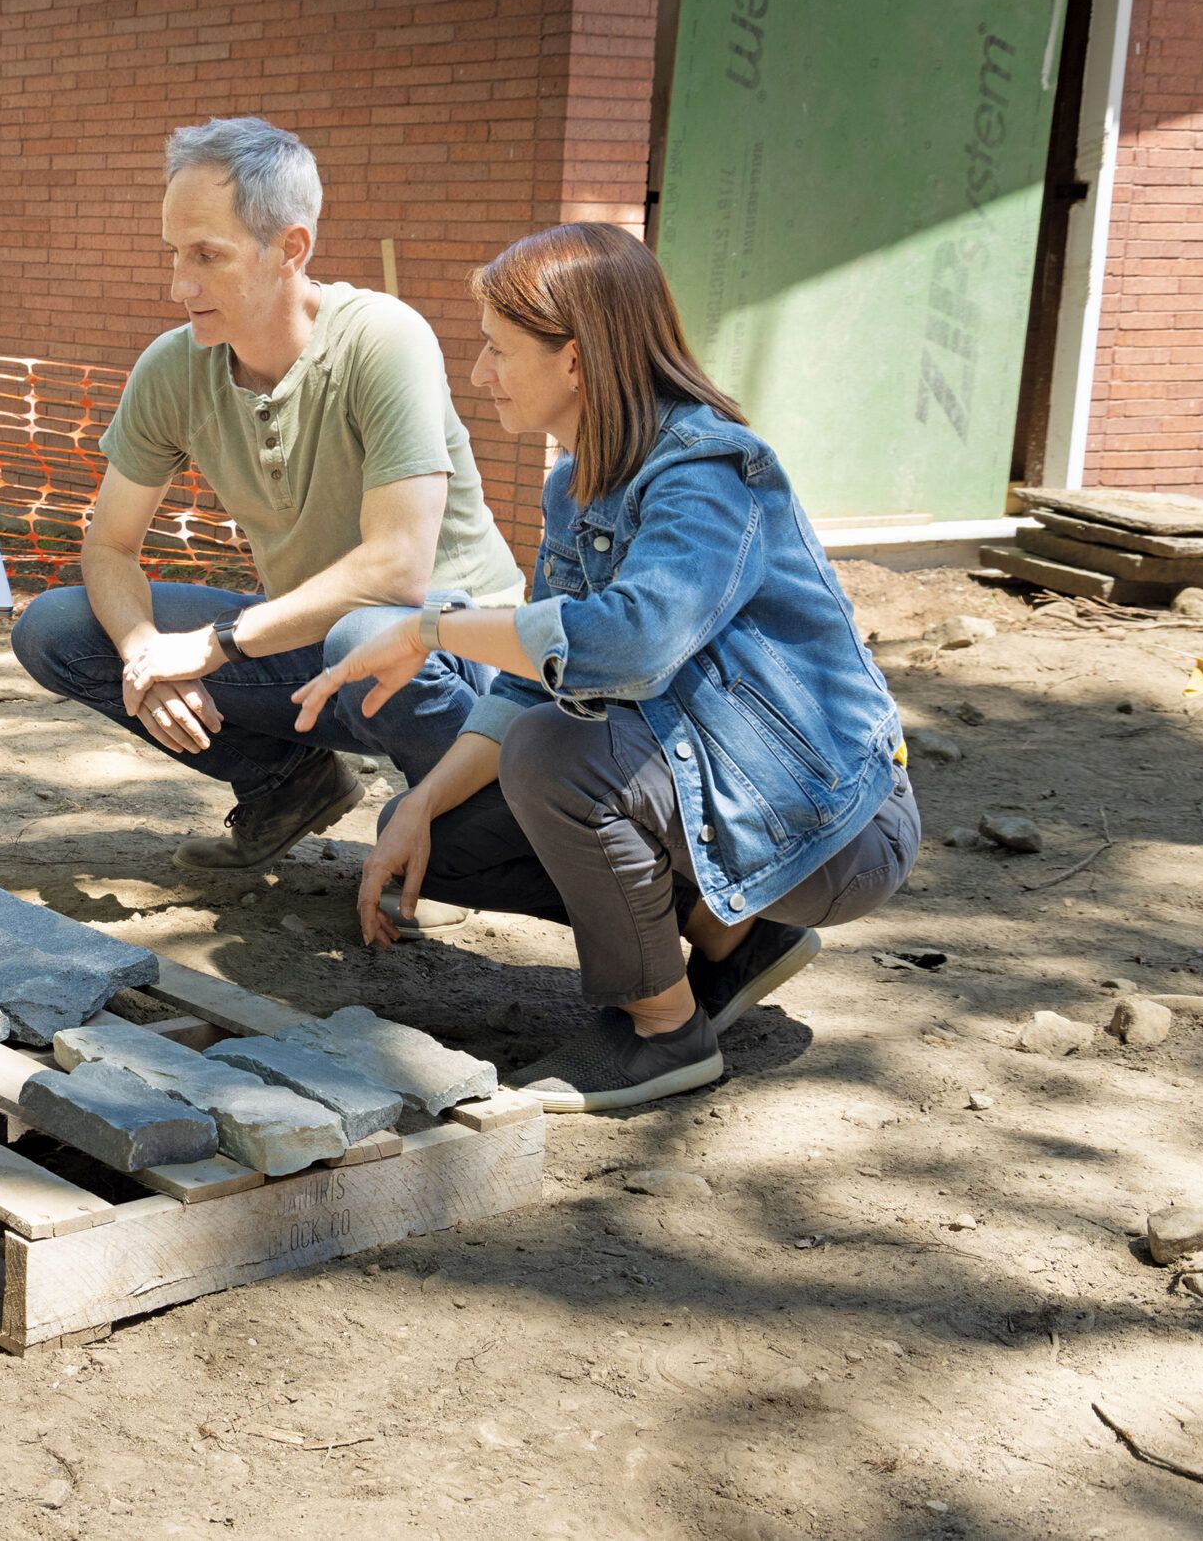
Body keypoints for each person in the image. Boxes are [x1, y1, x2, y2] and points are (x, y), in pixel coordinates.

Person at [292, 223, 920, 1113]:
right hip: (718, 796)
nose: (480, 374)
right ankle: (729, 936)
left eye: (498, 350)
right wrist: (421, 804)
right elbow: (526, 679)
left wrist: (434, 628)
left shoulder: (711, 471)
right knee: (438, 842)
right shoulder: (577, 483)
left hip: (833, 831)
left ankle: (664, 1030)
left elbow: (629, 640)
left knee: (556, 754)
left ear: (577, 361)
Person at [11, 118, 524, 875]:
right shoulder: (173, 367)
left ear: (291, 249)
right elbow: (109, 545)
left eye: (207, 257)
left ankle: (476, 838)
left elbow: (397, 572)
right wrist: (144, 656)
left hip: (459, 656)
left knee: (370, 632)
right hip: (310, 645)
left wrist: (214, 644)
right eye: (175, 254)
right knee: (55, 626)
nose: (179, 285)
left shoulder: (383, 339)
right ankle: (287, 786)